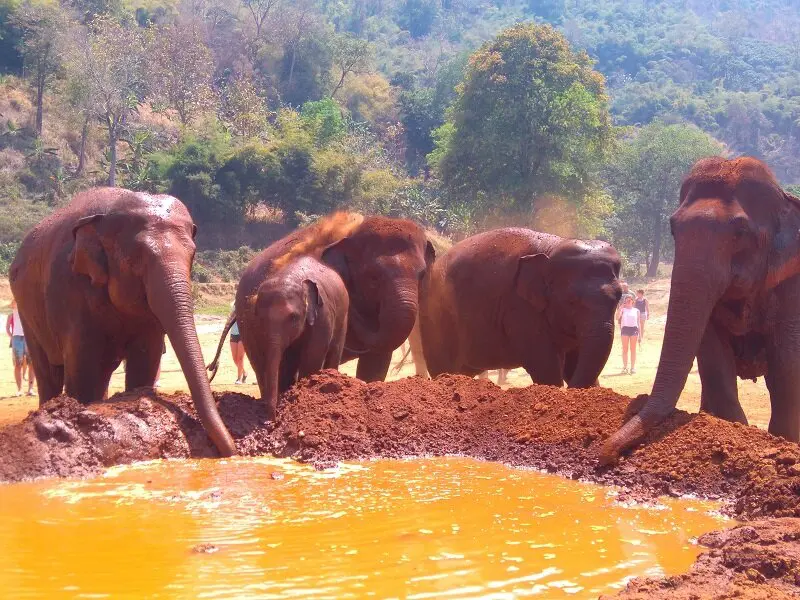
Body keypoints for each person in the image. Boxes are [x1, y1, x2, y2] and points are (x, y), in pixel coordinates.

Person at [6, 299, 35, 396]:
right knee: (18, 364)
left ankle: (30, 389)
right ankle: (20, 389)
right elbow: (7, 327)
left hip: (28, 336)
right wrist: (12, 336)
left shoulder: (28, 310)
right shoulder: (13, 312)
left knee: (31, 363)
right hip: (17, 337)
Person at [617, 295, 640, 375]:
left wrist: (640, 335)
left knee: (633, 349)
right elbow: (617, 318)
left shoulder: (636, 310)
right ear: (624, 301)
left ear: (632, 301)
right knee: (625, 349)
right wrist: (620, 309)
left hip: (634, 329)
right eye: (626, 300)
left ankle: (632, 367)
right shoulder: (623, 310)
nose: (628, 301)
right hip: (625, 329)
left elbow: (638, 322)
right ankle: (625, 367)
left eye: (630, 300)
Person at [230, 317, 247, 384]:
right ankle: (244, 372)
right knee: (235, 359)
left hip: (243, 334)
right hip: (233, 334)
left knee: (240, 358)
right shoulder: (233, 306)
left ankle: (239, 379)